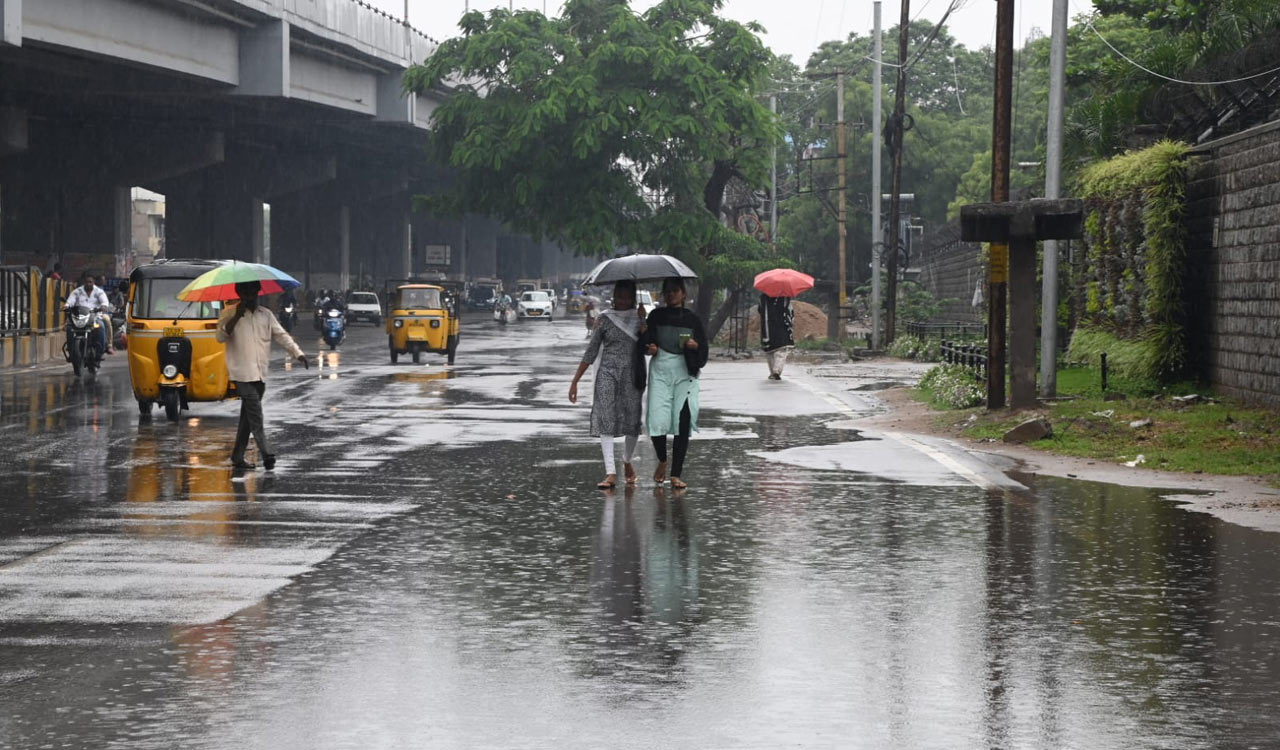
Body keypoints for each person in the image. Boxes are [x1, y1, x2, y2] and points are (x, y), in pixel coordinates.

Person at [217, 281, 309, 470]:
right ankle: (267, 453)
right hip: (241, 373)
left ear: (258, 292)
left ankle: (237, 456)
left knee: (248, 418)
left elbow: (281, 335)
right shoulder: (228, 313)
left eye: (254, 292)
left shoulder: (266, 315)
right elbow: (220, 336)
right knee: (255, 413)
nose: (251, 296)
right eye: (246, 292)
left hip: (260, 374)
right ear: (239, 293)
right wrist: (236, 316)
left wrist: (298, 353)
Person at [569, 281, 647, 489]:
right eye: (618, 296)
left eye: (626, 297)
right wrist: (575, 381)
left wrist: (644, 323)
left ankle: (627, 461)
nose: (622, 301)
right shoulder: (604, 319)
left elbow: (648, 349)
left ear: (632, 298)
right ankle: (610, 472)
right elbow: (591, 351)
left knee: (633, 422)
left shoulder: (639, 319)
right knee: (606, 418)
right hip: (607, 373)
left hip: (632, 375)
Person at [640, 277, 708, 489]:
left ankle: (676, 474)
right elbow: (645, 343)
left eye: (675, 291)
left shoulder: (692, 320)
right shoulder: (656, 316)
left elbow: (704, 350)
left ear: (683, 294)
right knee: (656, 418)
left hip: (684, 373)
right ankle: (662, 459)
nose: (671, 294)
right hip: (660, 370)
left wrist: (695, 346)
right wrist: (646, 337)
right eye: (667, 291)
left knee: (682, 421)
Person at [64, 274, 114, 355]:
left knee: (103, 324)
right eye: (87, 282)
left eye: (90, 282)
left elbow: (104, 301)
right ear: (84, 282)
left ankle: (106, 347)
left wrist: (104, 306)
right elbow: (70, 301)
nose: (88, 284)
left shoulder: (99, 292)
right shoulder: (77, 292)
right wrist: (66, 306)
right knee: (69, 327)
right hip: (79, 317)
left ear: (93, 282)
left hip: (95, 316)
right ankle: (70, 348)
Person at [758, 293, 795, 380]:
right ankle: (776, 371)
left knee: (770, 352)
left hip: (767, 329)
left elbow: (760, 310)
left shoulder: (762, 298)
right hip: (781, 328)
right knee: (781, 351)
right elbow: (789, 312)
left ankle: (772, 372)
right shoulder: (785, 298)